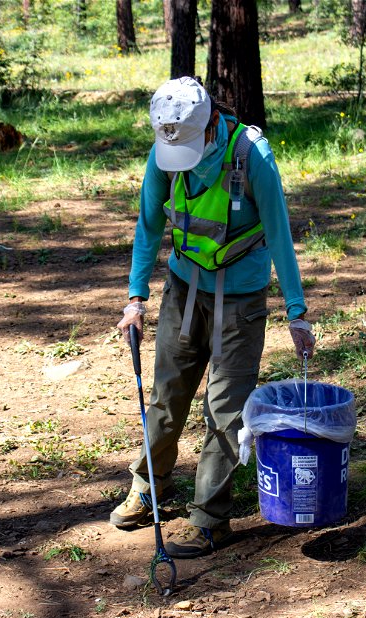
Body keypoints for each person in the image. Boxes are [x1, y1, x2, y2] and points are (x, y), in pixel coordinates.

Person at [112, 76, 316, 559]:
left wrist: (297, 313)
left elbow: (281, 235)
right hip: (184, 289)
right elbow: (149, 223)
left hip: (240, 301)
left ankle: (210, 519)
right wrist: (135, 298)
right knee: (166, 396)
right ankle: (149, 488)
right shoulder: (167, 150)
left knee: (224, 413)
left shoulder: (252, 158)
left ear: (208, 130)